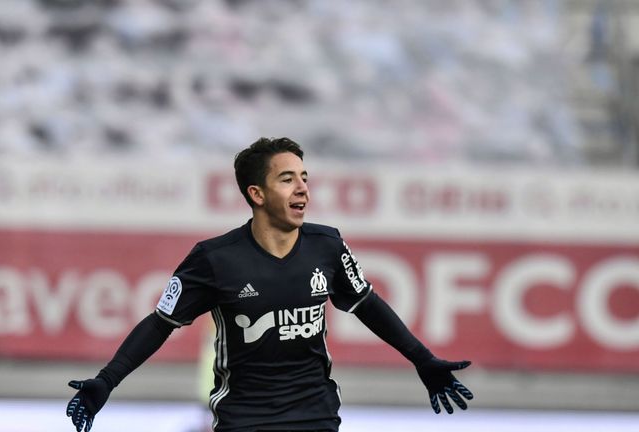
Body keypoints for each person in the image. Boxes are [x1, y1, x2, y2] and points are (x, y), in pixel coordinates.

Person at [66, 137, 474, 432]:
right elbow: (160, 323)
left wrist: (423, 359)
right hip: (244, 419)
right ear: (256, 194)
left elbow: (366, 303)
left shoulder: (327, 245)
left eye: (305, 177)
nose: (302, 188)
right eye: (287, 179)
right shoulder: (214, 259)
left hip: (316, 415)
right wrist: (106, 381)